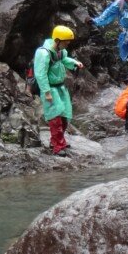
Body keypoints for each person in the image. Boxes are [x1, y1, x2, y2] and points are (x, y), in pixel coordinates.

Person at [34, 25, 84, 156]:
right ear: (57, 40)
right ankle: (57, 146)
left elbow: (64, 60)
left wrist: (74, 63)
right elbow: (40, 74)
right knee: (55, 118)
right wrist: (47, 92)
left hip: (60, 87)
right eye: (66, 41)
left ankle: (57, 141)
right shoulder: (44, 53)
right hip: (50, 88)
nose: (67, 44)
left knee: (64, 115)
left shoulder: (60, 51)